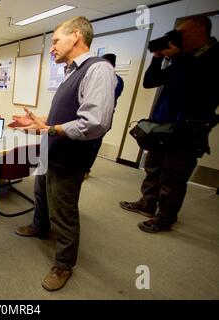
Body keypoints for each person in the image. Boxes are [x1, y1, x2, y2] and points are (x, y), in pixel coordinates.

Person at [13, 16, 117, 291]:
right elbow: (67, 116)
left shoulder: (99, 70)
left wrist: (50, 128)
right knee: (41, 197)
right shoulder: (72, 71)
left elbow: (94, 123)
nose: (51, 48)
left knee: (64, 212)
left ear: (76, 37)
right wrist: (39, 122)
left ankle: (64, 264)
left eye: (56, 40)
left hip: (69, 158)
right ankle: (39, 226)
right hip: (52, 151)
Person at [119, 15, 218, 233]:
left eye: (182, 33)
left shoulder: (212, 56)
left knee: (173, 176)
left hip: (188, 128)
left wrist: (178, 58)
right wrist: (157, 57)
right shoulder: (182, 59)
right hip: (161, 126)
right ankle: (147, 203)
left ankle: (165, 217)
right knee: (153, 167)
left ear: (200, 31)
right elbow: (150, 82)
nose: (176, 37)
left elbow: (197, 85)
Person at [85, 53, 124, 179]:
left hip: (102, 119)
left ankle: (86, 169)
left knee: (94, 144)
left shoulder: (117, 80)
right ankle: (81, 167)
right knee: (88, 143)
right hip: (90, 116)